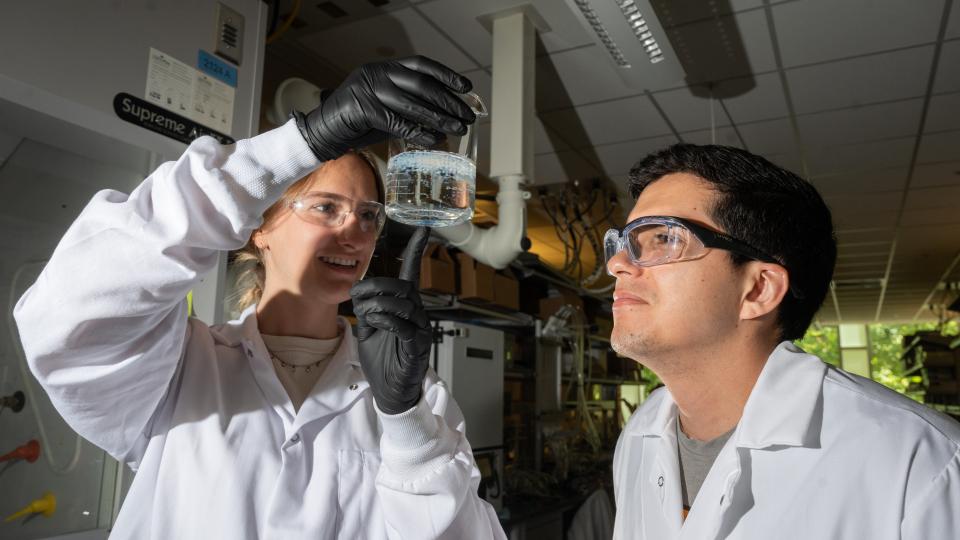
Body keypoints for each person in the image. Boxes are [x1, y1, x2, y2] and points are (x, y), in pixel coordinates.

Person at [14, 56, 507, 539]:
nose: (353, 234)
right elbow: (68, 315)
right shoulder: (178, 368)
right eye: (326, 207)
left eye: (367, 216)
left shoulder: (418, 393)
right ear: (259, 229)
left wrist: (406, 423)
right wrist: (302, 142)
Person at [605, 144, 960, 539]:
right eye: (624, 243)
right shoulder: (639, 433)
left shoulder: (922, 464)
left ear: (759, 289)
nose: (617, 264)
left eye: (663, 237)